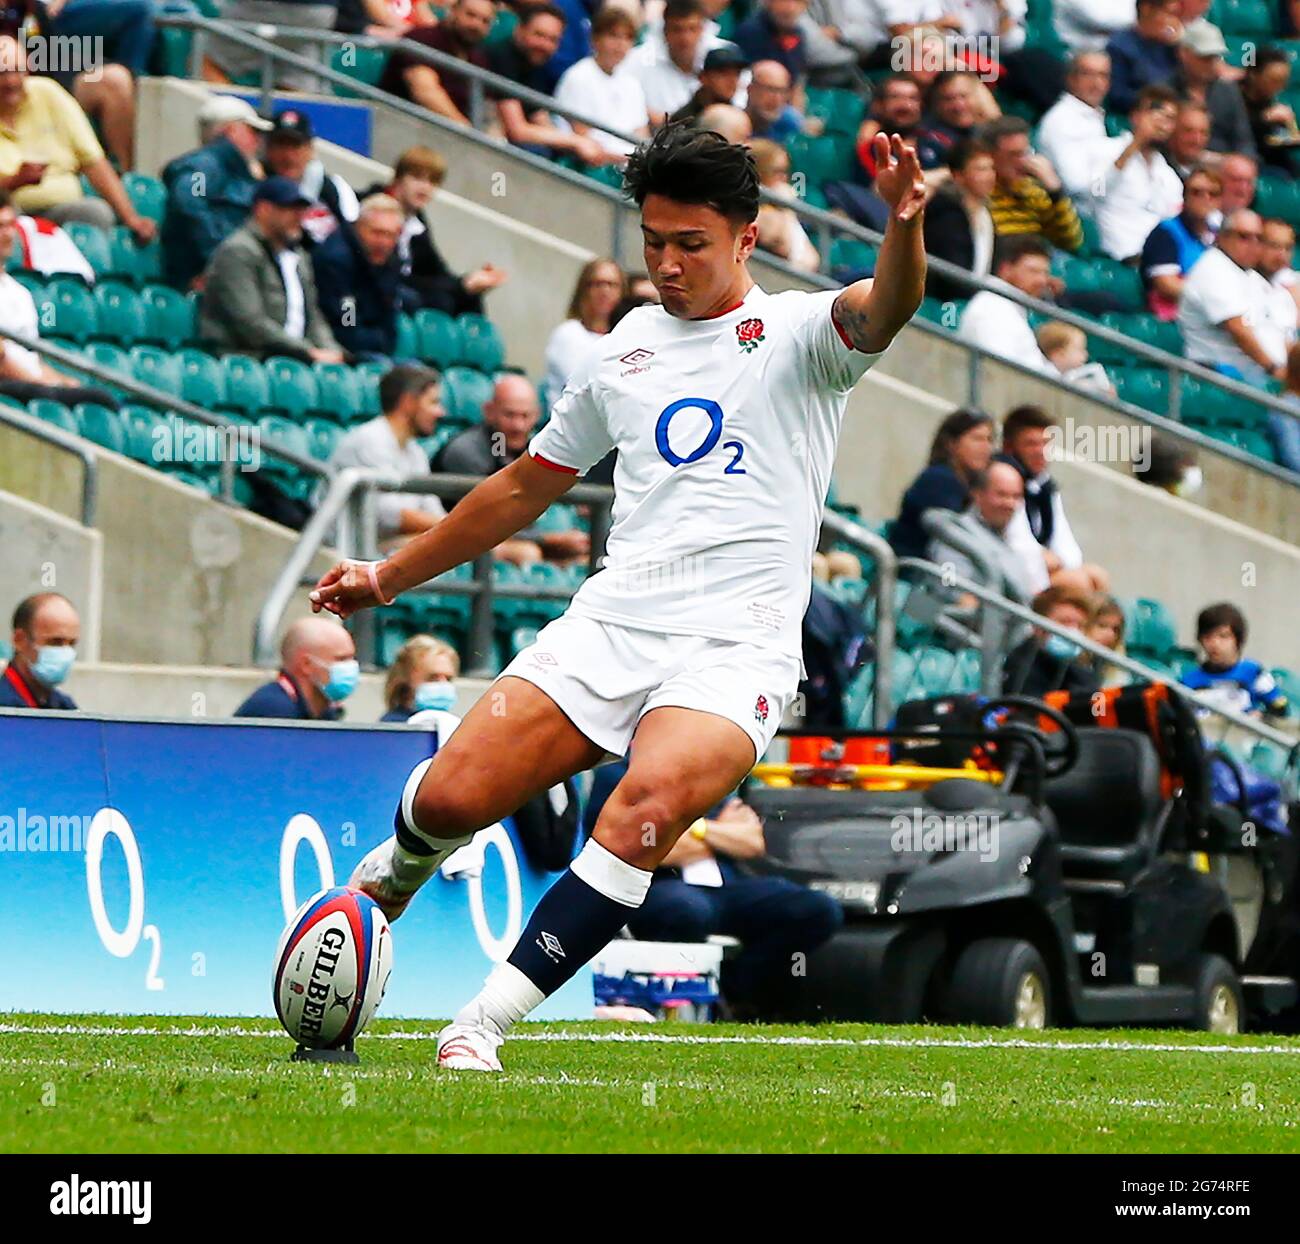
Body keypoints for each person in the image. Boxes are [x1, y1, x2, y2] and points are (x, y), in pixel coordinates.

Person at [308, 121, 927, 1071]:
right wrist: (388, 577)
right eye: (654, 242)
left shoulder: (804, 337)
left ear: (747, 239)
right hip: (613, 622)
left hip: (738, 647)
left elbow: (885, 308)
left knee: (642, 808)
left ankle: (480, 1026)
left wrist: (904, 226)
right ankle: (394, 877)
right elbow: (522, 487)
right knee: (450, 799)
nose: (669, 265)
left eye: (692, 245)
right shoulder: (623, 348)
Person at [583, 756, 843, 1018]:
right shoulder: (619, 775)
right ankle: (667, 1001)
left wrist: (695, 829)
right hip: (660, 883)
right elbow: (644, 846)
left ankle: (733, 991)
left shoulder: (709, 769)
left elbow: (752, 841)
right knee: (688, 910)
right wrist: (720, 833)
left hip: (726, 885)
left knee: (817, 909)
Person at [0, 35, 153, 238]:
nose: (11, 81)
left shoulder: (49, 93)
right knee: (6, 220)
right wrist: (14, 182)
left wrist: (131, 218)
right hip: (10, 211)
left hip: (60, 208)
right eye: (2, 73)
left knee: (97, 213)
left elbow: (93, 162)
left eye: (17, 71)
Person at [434, 373, 590, 565]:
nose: (518, 425)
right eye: (510, 415)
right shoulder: (467, 450)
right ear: (489, 411)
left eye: (525, 416)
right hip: (468, 542)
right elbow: (488, 519)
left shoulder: (532, 447)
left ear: (538, 415)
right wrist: (548, 539)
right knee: (527, 554)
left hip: (529, 539)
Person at [198, 177, 345, 363]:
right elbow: (250, 323)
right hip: (246, 359)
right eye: (290, 209)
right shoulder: (238, 251)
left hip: (293, 358)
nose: (299, 216)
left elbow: (313, 318)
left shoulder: (299, 257)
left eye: (301, 210)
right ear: (263, 209)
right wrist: (308, 352)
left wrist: (333, 352)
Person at [0, 190, 118, 408]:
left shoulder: (20, 293)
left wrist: (62, 382)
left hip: (31, 382)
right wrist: (45, 384)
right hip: (10, 386)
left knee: (96, 397)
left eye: (10, 225)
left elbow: (31, 357)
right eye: (0, 227)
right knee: (95, 399)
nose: (7, 235)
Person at [361, 146, 507, 317]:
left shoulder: (417, 221)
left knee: (469, 300)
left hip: (405, 290)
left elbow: (436, 271)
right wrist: (461, 285)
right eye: (417, 178)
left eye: (432, 182)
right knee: (437, 301)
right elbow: (393, 273)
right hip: (377, 289)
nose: (424, 188)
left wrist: (470, 283)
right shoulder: (374, 208)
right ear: (399, 178)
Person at [997, 403, 1111, 596]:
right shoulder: (1004, 481)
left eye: (1045, 443)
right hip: (1018, 572)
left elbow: (1066, 544)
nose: (1041, 451)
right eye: (1031, 444)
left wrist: (1063, 564)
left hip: (1048, 569)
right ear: (1009, 447)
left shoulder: (1046, 487)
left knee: (1098, 576)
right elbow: (1017, 541)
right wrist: (1047, 561)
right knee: (1078, 583)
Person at [162, 95, 269, 292]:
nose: (258, 140)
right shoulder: (202, 165)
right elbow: (189, 203)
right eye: (252, 131)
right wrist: (217, 260)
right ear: (230, 130)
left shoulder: (238, 172)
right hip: (207, 276)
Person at [329, 364, 447, 542]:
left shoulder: (416, 452)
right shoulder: (369, 440)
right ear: (408, 402)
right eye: (433, 402)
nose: (441, 412)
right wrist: (465, 533)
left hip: (386, 548)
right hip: (344, 553)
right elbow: (390, 516)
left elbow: (432, 510)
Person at [488, 3, 617, 165]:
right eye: (539, 35)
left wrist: (584, 144)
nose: (545, 45)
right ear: (519, 30)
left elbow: (540, 118)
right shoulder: (503, 57)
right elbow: (517, 130)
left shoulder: (536, 63)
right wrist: (576, 142)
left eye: (553, 40)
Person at [1178, 208, 1287, 384]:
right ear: (1223, 237)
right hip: (1217, 375)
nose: (1253, 244)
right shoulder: (1213, 269)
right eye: (1244, 236)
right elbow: (1238, 330)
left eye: (1259, 238)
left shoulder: (1250, 275)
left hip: (1252, 377)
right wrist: (1275, 369)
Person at [1087, 84, 1183, 262]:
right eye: (1154, 113)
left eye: (1170, 118)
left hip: (1156, 262)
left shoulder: (1169, 176)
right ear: (1135, 116)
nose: (1162, 123)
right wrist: (1136, 143)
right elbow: (1095, 192)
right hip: (1117, 260)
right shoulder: (1105, 149)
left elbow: (1173, 223)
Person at [886, 406, 995, 558]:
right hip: (916, 571)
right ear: (951, 443)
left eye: (989, 440)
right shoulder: (939, 480)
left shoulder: (972, 484)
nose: (986, 448)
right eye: (977, 439)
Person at [924, 461, 1035, 605]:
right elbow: (946, 580)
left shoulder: (1012, 545)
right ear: (978, 494)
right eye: (1002, 495)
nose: (1010, 504)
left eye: (1016, 497)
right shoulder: (956, 533)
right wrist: (966, 603)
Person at [312, 193, 408, 361]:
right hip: (339, 344)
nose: (384, 242)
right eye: (377, 233)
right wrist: (376, 341)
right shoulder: (336, 259)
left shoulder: (392, 259)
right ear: (359, 227)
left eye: (391, 235)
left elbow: (389, 311)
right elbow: (345, 319)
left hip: (374, 344)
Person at [553, 5, 651, 159]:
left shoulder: (632, 83)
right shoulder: (578, 76)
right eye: (613, 35)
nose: (620, 44)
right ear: (595, 39)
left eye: (627, 37)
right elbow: (583, 137)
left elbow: (642, 135)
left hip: (628, 167)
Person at [377, 0, 496, 126]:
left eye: (485, 21)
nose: (476, 24)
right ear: (453, 11)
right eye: (470, 15)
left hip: (449, 136)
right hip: (400, 125)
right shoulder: (421, 39)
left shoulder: (478, 58)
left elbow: (488, 109)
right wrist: (468, 133)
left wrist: (495, 141)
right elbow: (426, 93)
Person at [982, 115, 1084, 253]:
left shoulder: (1032, 191)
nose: (1022, 162)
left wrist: (1055, 193)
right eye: (1013, 154)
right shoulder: (979, 192)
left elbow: (1071, 241)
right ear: (990, 155)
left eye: (1025, 153)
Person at [262, 109, 360, 247]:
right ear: (269, 149)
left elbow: (355, 236)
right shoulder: (259, 190)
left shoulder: (334, 187)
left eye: (295, 146)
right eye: (281, 145)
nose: (288, 156)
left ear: (310, 149)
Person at [958, 235, 1056, 374]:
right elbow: (999, 371)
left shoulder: (1009, 309)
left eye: (1045, 273)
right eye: (1033, 271)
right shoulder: (991, 310)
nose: (1042, 280)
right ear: (1006, 270)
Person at [234, 616, 358, 720]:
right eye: (341, 659)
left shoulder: (327, 711)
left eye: (352, 658)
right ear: (306, 665)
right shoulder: (273, 712)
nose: (350, 666)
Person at [1180, 601, 1289, 718]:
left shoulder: (1253, 672)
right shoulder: (1188, 681)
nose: (1215, 644)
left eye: (1223, 636)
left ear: (1237, 640)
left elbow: (1280, 707)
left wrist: (1261, 716)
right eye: (1208, 637)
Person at [1139, 163, 1220, 319]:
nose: (1205, 198)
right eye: (1197, 192)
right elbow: (1167, 285)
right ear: (1185, 196)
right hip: (1172, 318)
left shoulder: (1218, 237)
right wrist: (1213, 296)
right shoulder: (1166, 232)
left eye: (1213, 194)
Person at [922, 137, 996, 302]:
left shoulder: (985, 214)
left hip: (972, 300)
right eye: (980, 170)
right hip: (945, 303)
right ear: (958, 176)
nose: (990, 176)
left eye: (991, 168)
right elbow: (951, 278)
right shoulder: (946, 214)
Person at [542, 257, 626, 398]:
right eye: (598, 284)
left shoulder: (625, 337)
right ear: (584, 289)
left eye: (612, 285)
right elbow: (584, 386)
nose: (605, 291)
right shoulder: (568, 334)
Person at [1036, 51, 1113, 204]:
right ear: (1071, 79)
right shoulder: (1062, 121)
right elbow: (1077, 186)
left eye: (1103, 75)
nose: (1097, 83)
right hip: (1079, 215)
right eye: (1088, 75)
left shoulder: (1094, 115)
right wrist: (1119, 166)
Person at [1173, 20, 1254, 161]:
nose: (1211, 63)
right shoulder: (1167, 91)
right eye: (1204, 57)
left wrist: (1238, 162)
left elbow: (1244, 141)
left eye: (1215, 57)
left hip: (1225, 168)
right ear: (1184, 53)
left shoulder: (1228, 92)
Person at [1001, 584, 1101, 698]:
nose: (1073, 632)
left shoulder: (1083, 671)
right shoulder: (1021, 666)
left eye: (1079, 625)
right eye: (1065, 622)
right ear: (1037, 626)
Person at [624, 0, 712, 122]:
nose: (685, 38)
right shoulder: (637, 60)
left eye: (692, 29)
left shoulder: (722, 53)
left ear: (702, 30)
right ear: (665, 31)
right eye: (677, 29)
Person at [0, 591, 79, 710]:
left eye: (72, 644)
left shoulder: (64, 708)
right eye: (55, 642)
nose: (65, 652)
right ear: (19, 640)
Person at [751, 137, 819, 271]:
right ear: (759, 171)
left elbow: (811, 260)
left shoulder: (779, 207)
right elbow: (781, 244)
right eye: (777, 171)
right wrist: (786, 208)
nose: (784, 178)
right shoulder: (756, 212)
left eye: (785, 171)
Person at [1104, 0, 1182, 114]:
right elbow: (1118, 95)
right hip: (1137, 116)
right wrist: (1155, 103)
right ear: (1146, 9)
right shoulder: (1120, 47)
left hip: (1173, 112)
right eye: (1168, 14)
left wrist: (1179, 46)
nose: (1173, 22)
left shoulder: (1171, 46)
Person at [1241, 45, 1300, 176]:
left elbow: (1280, 138)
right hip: (1246, 161)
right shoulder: (1233, 97)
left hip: (1276, 162)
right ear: (1253, 75)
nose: (1280, 87)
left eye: (1283, 81)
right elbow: (1234, 130)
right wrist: (1265, 118)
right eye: (1274, 80)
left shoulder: (1273, 101)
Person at [381, 634, 460, 722]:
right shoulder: (392, 727)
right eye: (433, 678)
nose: (443, 684)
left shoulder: (452, 725)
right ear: (406, 677)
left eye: (448, 679)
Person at [670, 42, 750, 125]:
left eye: (737, 74)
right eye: (724, 73)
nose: (732, 80)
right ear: (703, 77)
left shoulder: (739, 117)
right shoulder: (683, 120)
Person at [734, 0, 809, 85]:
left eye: (798, 2)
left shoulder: (799, 34)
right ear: (768, 2)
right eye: (784, 1)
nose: (790, 8)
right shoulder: (750, 32)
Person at [1036, 320, 1113, 392]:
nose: (1086, 354)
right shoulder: (1046, 376)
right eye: (1080, 349)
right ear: (1059, 355)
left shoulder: (1070, 375)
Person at [745, 59, 808, 141]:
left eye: (782, 91)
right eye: (770, 90)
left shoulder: (791, 122)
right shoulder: (736, 121)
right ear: (751, 90)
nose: (777, 98)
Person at [1083, 592, 1129, 687]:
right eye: (1102, 625)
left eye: (1115, 629)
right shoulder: (1067, 661)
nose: (1110, 634)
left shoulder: (1116, 666)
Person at [1166, 102, 1212, 179]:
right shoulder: (1157, 168)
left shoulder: (1211, 176)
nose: (1196, 140)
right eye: (1188, 131)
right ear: (1173, 130)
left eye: (1203, 133)